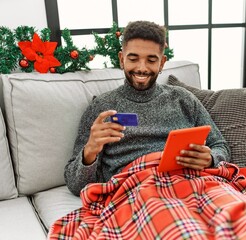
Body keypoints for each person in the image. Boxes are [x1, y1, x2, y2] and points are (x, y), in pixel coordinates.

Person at [64, 20, 230, 196]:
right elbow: (75, 185)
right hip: (136, 193)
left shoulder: (183, 99)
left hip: (192, 185)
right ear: (122, 59)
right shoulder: (102, 107)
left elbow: (220, 145)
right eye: (133, 59)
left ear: (162, 63)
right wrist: (90, 150)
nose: (141, 68)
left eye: (151, 60)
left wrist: (211, 158)